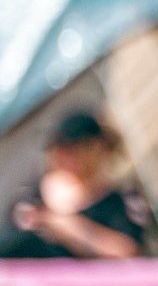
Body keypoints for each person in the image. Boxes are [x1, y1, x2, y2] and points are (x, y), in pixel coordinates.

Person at [1, 111, 146, 260]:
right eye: (59, 148)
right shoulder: (35, 191)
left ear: (95, 148)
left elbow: (127, 252)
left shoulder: (123, 200)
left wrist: (64, 226)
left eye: (72, 149)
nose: (62, 155)